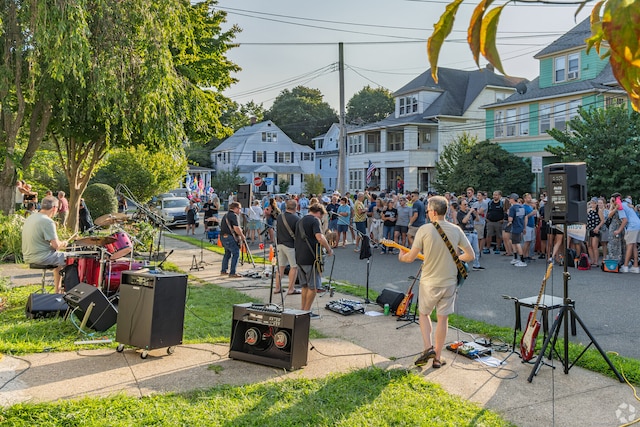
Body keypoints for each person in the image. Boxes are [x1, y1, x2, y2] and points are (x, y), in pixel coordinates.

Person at [398, 196, 475, 368]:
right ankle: (438, 358)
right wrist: (455, 259)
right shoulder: (456, 230)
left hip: (429, 281)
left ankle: (428, 348)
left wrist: (402, 257)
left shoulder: (424, 230)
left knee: (424, 314)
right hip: (449, 282)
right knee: (443, 318)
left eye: (427, 210)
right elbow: (471, 256)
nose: (427, 213)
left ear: (432, 212)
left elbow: (410, 257)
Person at [22, 196, 68, 293]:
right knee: (73, 259)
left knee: (59, 261)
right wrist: (63, 243)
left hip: (28, 256)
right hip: (42, 257)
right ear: (54, 208)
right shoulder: (47, 221)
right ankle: (70, 290)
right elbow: (56, 245)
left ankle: (57, 291)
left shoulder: (31, 217)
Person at [294, 204, 334, 317]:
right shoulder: (314, 220)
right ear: (319, 212)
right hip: (311, 257)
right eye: (322, 216)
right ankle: (306, 312)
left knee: (305, 286)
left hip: (299, 257)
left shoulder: (300, 221)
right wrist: (329, 249)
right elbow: (320, 237)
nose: (321, 218)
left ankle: (302, 309)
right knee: (314, 286)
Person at [275, 199, 301, 295]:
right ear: (295, 207)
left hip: (280, 243)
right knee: (294, 267)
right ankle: (291, 288)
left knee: (281, 267)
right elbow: (298, 234)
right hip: (290, 245)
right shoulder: (296, 219)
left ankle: (277, 288)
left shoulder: (279, 217)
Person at [219, 202, 246, 278]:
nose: (240, 210)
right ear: (235, 208)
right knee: (236, 253)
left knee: (227, 254)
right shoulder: (234, 216)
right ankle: (232, 272)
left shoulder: (226, 215)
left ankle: (223, 270)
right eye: (239, 208)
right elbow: (236, 228)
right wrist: (242, 235)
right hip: (230, 237)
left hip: (223, 237)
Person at [457, 200, 484, 271]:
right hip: (466, 233)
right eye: (464, 204)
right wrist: (469, 212)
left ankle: (476, 265)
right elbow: (464, 221)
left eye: (467, 204)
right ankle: (462, 265)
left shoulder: (469, 212)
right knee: (465, 251)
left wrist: (476, 213)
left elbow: (477, 219)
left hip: (473, 232)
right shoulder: (459, 213)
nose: (466, 206)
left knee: (476, 250)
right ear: (460, 206)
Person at [507, 193, 527, 267]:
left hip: (515, 227)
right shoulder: (521, 207)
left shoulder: (512, 208)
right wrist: (524, 227)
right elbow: (525, 217)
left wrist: (508, 214)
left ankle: (522, 259)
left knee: (517, 243)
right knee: (514, 242)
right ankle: (515, 258)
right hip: (520, 226)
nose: (509, 200)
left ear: (512, 199)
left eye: (510, 198)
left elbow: (510, 219)